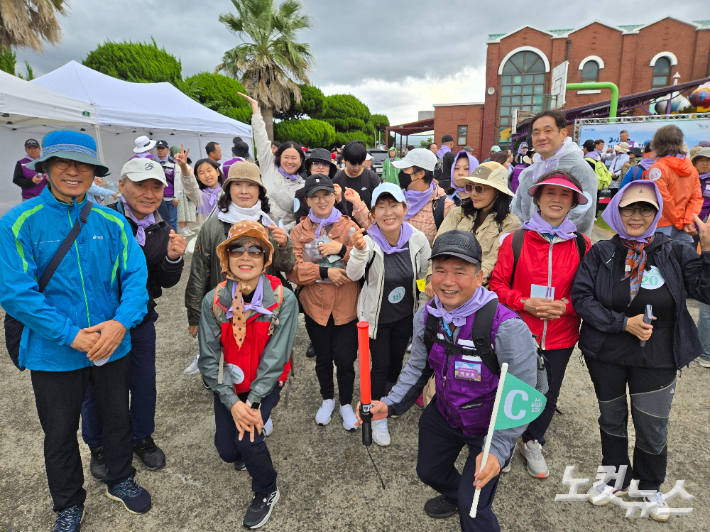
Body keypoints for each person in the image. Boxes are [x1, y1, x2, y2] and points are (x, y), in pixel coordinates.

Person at [0, 131, 152, 530]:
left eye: (82, 164)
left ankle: (120, 477)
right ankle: (67, 501)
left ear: (93, 173)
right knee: (60, 432)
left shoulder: (112, 222)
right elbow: (15, 293)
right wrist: (70, 335)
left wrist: (121, 323)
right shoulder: (19, 222)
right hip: (54, 351)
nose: (73, 171)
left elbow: (136, 278)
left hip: (111, 345)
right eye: (62, 163)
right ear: (46, 169)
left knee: (118, 417)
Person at [359, 230, 537, 531]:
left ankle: (468, 504)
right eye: (440, 270)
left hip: (488, 427)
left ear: (479, 277)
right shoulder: (427, 315)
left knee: (474, 509)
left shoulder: (507, 328)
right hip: (443, 414)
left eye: (459, 271)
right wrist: (389, 404)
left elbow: (522, 394)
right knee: (429, 472)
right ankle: (459, 495)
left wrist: (497, 449)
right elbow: (417, 367)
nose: (448, 280)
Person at [571, 180, 710, 521]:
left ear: (656, 212)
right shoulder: (602, 252)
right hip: (606, 350)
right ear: (617, 210)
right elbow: (582, 297)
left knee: (652, 424)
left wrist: (707, 251)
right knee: (612, 417)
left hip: (658, 354)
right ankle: (614, 477)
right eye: (628, 207)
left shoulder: (674, 251)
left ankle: (649, 485)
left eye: (645, 208)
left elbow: (704, 291)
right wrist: (623, 323)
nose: (636, 215)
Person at [81, 158, 186, 479]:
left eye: (156, 187)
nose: (149, 193)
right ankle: (97, 446)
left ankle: (141, 437)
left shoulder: (163, 227)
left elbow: (164, 282)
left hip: (140, 320)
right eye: (140, 185)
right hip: (100, 322)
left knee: (143, 384)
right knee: (95, 387)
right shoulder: (99, 219)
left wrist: (173, 257)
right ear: (122, 185)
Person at [489, 170, 591, 479]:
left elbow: (588, 294)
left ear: (573, 201)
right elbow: (496, 287)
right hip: (519, 331)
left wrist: (566, 306)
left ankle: (532, 440)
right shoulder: (515, 239)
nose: (557, 200)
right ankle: (503, 445)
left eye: (565, 195)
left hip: (561, 334)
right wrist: (524, 303)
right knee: (512, 388)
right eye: (550, 193)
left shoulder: (582, 245)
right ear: (537, 198)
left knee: (548, 392)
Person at [197, 220, 296, 529]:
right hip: (229, 384)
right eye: (237, 249)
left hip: (264, 384)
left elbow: (276, 358)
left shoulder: (282, 299)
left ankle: (267, 489)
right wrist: (231, 401)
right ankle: (241, 445)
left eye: (255, 250)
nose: (246, 256)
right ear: (226, 258)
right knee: (228, 451)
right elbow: (210, 358)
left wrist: (250, 404)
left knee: (248, 438)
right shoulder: (214, 301)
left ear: (266, 258)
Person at [184, 162, 294, 389]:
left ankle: (260, 403)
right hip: (223, 308)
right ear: (228, 189)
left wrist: (285, 245)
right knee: (226, 361)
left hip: (262, 311)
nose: (244, 191)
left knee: (261, 357)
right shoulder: (214, 225)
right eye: (238, 184)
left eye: (251, 185)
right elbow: (199, 271)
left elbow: (286, 266)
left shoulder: (269, 223)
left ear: (260, 191)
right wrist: (195, 316)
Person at [346, 183, 430, 446]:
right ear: (373, 213)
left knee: (397, 363)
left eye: (393, 205)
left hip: (405, 316)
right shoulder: (368, 242)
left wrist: (426, 295)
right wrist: (358, 251)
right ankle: (376, 414)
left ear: (404, 209)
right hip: (377, 319)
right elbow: (353, 274)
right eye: (380, 207)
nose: (387, 212)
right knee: (380, 366)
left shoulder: (416, 239)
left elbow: (425, 271)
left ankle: (389, 400)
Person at [286, 174, 361, 430]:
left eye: (326, 194)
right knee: (323, 358)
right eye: (315, 196)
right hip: (315, 307)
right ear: (306, 200)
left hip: (347, 307)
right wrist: (323, 272)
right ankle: (328, 398)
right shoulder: (299, 231)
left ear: (335, 196)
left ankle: (347, 403)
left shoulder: (349, 227)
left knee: (345, 359)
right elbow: (293, 271)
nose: (321, 200)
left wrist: (342, 250)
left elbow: (363, 263)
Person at [427, 161, 520, 291]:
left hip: (477, 290)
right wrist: (431, 277)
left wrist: (465, 282)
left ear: (497, 192)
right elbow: (438, 247)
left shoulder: (510, 223)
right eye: (470, 187)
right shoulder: (458, 213)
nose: (473, 194)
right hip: (442, 283)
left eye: (479, 188)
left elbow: (493, 260)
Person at [511, 109, 597, 236]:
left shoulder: (579, 168)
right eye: (536, 133)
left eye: (548, 131)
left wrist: (551, 239)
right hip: (529, 246)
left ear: (563, 134)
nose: (541, 137)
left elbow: (583, 217)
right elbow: (517, 208)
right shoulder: (529, 172)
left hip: (565, 247)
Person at [239, 92, 305, 230]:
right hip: (257, 225)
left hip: (284, 234)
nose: (290, 161)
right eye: (286, 157)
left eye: (294, 158)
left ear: (301, 161)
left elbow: (301, 216)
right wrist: (256, 109)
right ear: (279, 157)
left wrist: (284, 231)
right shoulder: (269, 167)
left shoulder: (303, 185)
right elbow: (261, 139)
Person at [644, 125, 702, 246]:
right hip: (684, 227)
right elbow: (696, 198)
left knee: (658, 263)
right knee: (686, 262)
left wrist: (680, 222)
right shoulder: (691, 168)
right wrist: (687, 221)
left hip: (662, 225)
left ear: (657, 143)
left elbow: (663, 199)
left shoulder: (657, 168)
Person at [691, 147, 710, 369]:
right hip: (690, 229)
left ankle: (705, 351)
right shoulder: (691, 180)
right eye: (701, 160)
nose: (704, 164)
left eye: (708, 160)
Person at [294, 147, 345, 223]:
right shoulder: (300, 193)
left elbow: (345, 219)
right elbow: (299, 222)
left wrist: (339, 200)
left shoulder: (337, 190)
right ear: (310, 168)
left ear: (329, 169)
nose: (321, 167)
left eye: (325, 164)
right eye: (316, 163)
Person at [334, 140, 381, 222]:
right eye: (353, 164)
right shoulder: (337, 180)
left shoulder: (373, 178)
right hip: (344, 228)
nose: (356, 167)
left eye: (359, 164)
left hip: (368, 228)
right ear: (345, 160)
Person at [155, 140, 179, 231]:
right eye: (158, 148)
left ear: (167, 150)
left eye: (162, 148)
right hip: (158, 196)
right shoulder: (153, 162)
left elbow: (177, 180)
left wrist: (176, 197)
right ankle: (163, 241)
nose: (160, 150)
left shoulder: (173, 163)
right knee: (160, 220)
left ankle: (174, 241)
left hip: (170, 197)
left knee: (172, 221)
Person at [173, 145, 197, 236]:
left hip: (186, 189)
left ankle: (186, 227)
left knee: (187, 210)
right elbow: (178, 179)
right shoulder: (175, 165)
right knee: (182, 210)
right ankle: (182, 228)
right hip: (180, 190)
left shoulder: (184, 163)